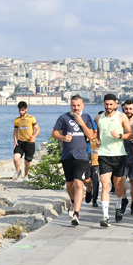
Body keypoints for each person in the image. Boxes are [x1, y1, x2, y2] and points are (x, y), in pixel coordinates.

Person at [52, 95, 96, 226]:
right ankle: (72, 201)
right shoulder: (63, 117)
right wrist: (63, 138)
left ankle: (76, 214)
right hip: (67, 156)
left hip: (82, 156)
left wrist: (81, 123)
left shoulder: (87, 118)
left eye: (78, 105)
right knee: (69, 183)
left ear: (82, 105)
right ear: (70, 105)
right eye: (73, 106)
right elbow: (54, 133)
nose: (76, 108)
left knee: (78, 183)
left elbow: (92, 136)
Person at [95, 94, 133, 227]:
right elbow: (99, 133)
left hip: (119, 155)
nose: (109, 107)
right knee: (105, 185)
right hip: (104, 155)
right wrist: (98, 140)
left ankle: (118, 206)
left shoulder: (121, 116)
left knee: (118, 185)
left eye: (111, 104)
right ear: (103, 104)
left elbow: (131, 134)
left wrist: (120, 135)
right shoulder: (98, 118)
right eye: (106, 104)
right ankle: (105, 217)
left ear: (116, 105)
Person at [13, 101, 40, 181]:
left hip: (30, 143)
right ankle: (18, 171)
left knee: (27, 162)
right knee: (16, 158)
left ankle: (26, 176)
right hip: (20, 142)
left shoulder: (32, 118)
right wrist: (15, 141)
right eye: (20, 110)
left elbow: (38, 129)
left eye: (23, 110)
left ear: (26, 109)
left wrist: (34, 136)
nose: (21, 112)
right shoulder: (17, 120)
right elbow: (15, 132)